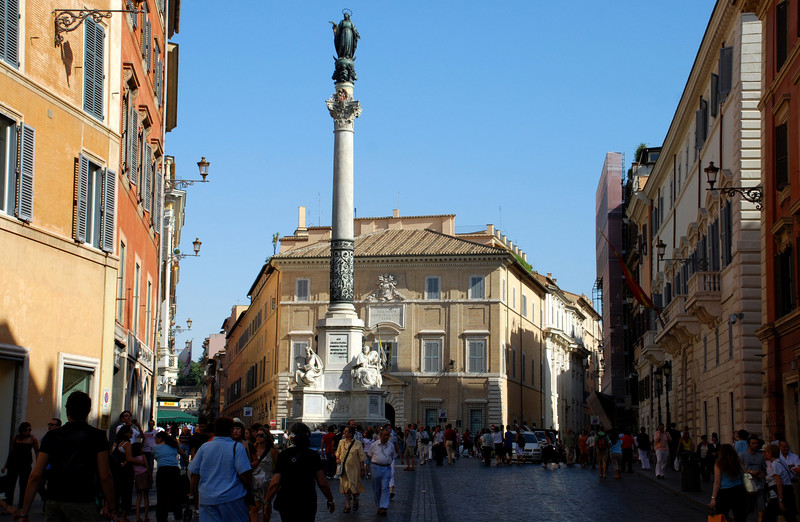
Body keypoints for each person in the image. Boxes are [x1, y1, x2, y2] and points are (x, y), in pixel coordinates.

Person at [18, 391, 114, 521]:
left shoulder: (51, 436)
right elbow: (105, 476)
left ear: (67, 411)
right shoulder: (98, 436)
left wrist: (24, 513)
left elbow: (36, 475)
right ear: (88, 411)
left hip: (55, 501)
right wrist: (111, 506)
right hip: (83, 501)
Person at [264, 422, 336, 521]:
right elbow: (322, 482)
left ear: (292, 437)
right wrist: (330, 499)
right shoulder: (313, 456)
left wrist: (267, 501)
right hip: (307, 500)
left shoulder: (284, 455)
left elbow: (275, 482)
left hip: (287, 500)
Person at [188, 416, 252, 521]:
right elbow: (244, 474)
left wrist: (194, 493)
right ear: (230, 430)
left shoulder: (204, 447)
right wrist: (250, 488)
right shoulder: (237, 447)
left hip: (207, 498)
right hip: (232, 498)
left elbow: (194, 474)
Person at [2, 422, 38, 508]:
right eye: (27, 430)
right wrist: (5, 466)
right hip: (14, 464)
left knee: (24, 485)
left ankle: (22, 507)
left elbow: (37, 452)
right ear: (22, 430)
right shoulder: (15, 439)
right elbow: (11, 453)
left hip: (25, 465)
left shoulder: (32, 439)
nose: (28, 432)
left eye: (30, 430)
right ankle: (8, 506)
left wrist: (38, 466)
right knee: (10, 485)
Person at [153, 431, 187, 522]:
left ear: (160, 439)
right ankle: (178, 515)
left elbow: (155, 458)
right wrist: (186, 465)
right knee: (176, 494)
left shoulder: (155, 448)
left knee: (161, 495)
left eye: (156, 438)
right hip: (174, 470)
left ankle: (162, 517)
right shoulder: (174, 446)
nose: (155, 440)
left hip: (162, 471)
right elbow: (183, 455)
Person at [710, 444, 748, 522]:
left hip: (724, 491)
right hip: (738, 489)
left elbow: (717, 482)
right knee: (740, 515)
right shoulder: (737, 462)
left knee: (721, 515)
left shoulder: (718, 464)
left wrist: (713, 498)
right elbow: (745, 473)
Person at [764, 442, 798, 522]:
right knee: (789, 516)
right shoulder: (782, 462)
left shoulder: (775, 465)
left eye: (766, 452)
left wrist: (780, 500)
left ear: (770, 453)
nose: (765, 454)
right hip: (787, 491)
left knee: (768, 517)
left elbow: (779, 483)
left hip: (781, 493)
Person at [335, 426, 366, 513]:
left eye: (346, 431)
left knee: (353, 486)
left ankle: (355, 499)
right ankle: (347, 504)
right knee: (345, 487)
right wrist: (338, 459)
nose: (344, 433)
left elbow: (361, 457)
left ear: (351, 433)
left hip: (354, 469)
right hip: (344, 469)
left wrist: (362, 469)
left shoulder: (357, 443)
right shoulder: (341, 442)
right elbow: (338, 454)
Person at [250, 427, 278, 522]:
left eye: (261, 435)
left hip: (267, 483)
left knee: (266, 508)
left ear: (266, 437)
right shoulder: (252, 449)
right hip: (254, 483)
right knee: (254, 508)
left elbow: (276, 468)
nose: (258, 437)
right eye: (257, 435)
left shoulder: (272, 451)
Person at [111, 424, 137, 522]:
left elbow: (111, 456)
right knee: (126, 494)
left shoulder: (114, 444)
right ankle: (123, 517)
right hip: (126, 472)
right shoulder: (127, 444)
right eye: (130, 432)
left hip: (115, 471)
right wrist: (141, 462)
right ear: (125, 433)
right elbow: (129, 458)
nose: (132, 434)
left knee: (116, 494)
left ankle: (114, 516)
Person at [367, 428, 396, 517]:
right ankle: (378, 506)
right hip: (376, 468)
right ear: (380, 435)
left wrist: (386, 462)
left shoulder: (391, 446)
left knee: (385, 487)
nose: (386, 437)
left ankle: (384, 506)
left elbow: (393, 456)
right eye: (384, 435)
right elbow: (370, 455)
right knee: (377, 488)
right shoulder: (374, 445)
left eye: (388, 435)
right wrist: (376, 462)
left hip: (386, 468)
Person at [36, 417, 62, 509]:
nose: (49, 426)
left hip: (54, 467)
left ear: (58, 426)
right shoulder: (46, 437)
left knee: (53, 488)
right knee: (40, 486)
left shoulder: (61, 437)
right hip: (45, 466)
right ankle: (46, 502)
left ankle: (49, 506)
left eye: (52, 425)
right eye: (49, 424)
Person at [740, 434, 767, 519]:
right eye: (753, 443)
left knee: (761, 507)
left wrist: (763, 474)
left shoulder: (761, 457)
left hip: (759, 484)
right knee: (746, 508)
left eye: (756, 443)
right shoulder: (742, 456)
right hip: (748, 486)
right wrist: (751, 472)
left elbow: (764, 469)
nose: (755, 445)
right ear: (748, 444)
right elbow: (740, 469)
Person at [131, 442, 151, 522]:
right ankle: (146, 516)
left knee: (139, 497)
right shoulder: (143, 456)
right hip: (144, 475)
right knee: (146, 496)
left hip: (137, 476)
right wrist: (150, 476)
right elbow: (147, 466)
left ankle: (138, 516)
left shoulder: (133, 458)